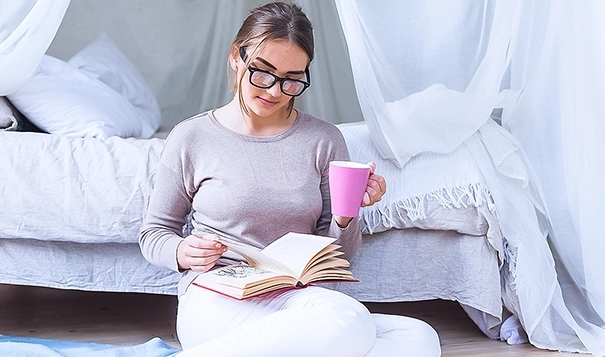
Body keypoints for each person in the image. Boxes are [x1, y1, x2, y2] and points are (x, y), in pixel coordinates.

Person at [139, 2, 440, 356]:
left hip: (298, 297)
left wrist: (346, 215)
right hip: (219, 296)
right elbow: (154, 234)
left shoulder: (323, 140)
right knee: (348, 322)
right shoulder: (191, 137)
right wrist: (182, 250)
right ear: (237, 57)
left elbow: (341, 257)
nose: (274, 91)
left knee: (417, 336)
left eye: (291, 79)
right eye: (263, 72)